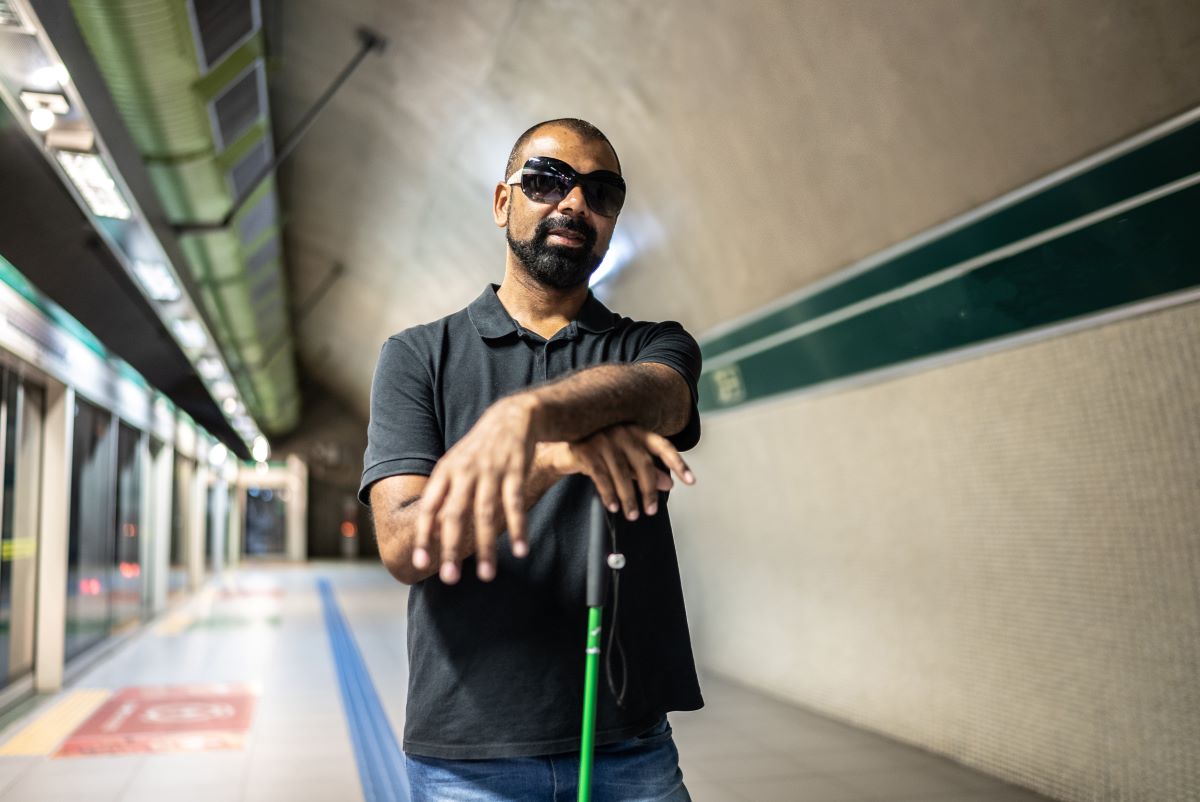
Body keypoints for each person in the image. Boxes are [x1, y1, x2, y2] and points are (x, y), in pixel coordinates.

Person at [360, 118, 703, 801]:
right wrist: (551, 459)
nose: (575, 203)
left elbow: (665, 399)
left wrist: (528, 415)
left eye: (601, 193)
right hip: (468, 757)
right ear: (502, 202)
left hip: (630, 746)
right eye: (548, 181)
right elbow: (404, 545)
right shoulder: (417, 357)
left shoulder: (651, 348)